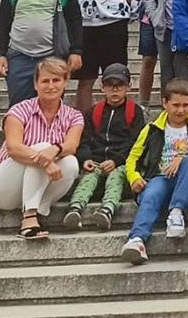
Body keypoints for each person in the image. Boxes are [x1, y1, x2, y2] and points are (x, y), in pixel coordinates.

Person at [121, 77, 188, 264]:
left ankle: (176, 212)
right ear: (164, 103)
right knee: (151, 194)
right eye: (175, 105)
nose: (181, 110)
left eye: (186, 105)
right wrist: (134, 177)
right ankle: (137, 239)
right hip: (160, 177)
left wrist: (181, 159)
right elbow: (132, 157)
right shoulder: (152, 129)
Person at [0, 56, 82, 239]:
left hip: (37, 187)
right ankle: (29, 217)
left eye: (56, 80)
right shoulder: (19, 110)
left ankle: (34, 207)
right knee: (44, 147)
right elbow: (14, 148)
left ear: (65, 83)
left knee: (71, 163)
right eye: (45, 81)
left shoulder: (74, 116)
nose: (51, 86)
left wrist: (55, 151)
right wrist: (46, 161)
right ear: (36, 84)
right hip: (2, 185)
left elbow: (71, 145)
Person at [59, 62, 145, 230]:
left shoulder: (135, 111)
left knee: (116, 177)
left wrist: (117, 160)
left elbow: (136, 142)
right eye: (110, 85)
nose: (114, 90)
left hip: (122, 163)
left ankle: (107, 209)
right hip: (96, 160)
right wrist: (85, 158)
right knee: (89, 177)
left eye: (119, 85)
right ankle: (75, 208)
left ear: (128, 86)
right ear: (102, 87)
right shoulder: (93, 111)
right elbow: (84, 139)